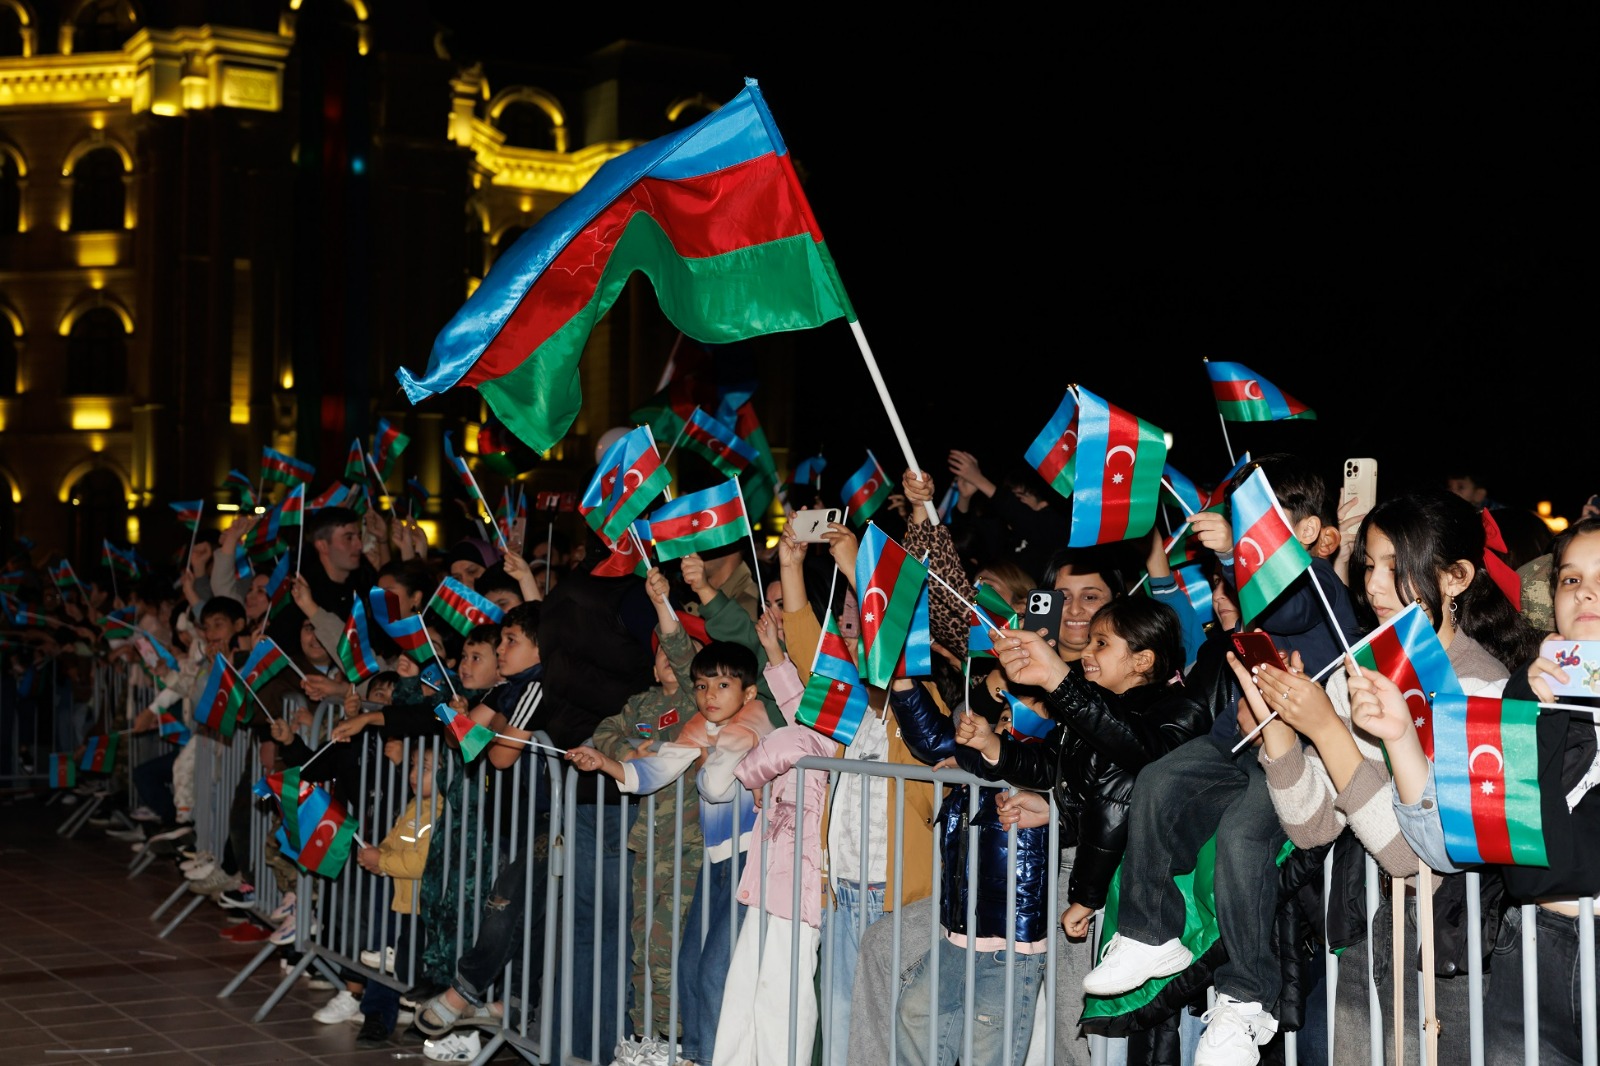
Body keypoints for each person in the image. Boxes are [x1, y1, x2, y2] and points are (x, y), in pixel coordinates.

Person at [1234, 489, 1539, 1066]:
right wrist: (1277, 727)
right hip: (1367, 930)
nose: (1373, 586)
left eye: (1396, 568)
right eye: (1369, 565)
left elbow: (1412, 855)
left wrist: (1327, 730)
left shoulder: (1481, 689)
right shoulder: (1359, 669)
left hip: (1445, 950)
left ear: (1455, 578)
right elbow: (1310, 825)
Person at [1079, 453, 1359, 1066]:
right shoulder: (1262, 589)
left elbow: (1287, 607)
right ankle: (1150, 933)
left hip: (1295, 758)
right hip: (1239, 738)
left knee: (1240, 838)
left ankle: (1246, 997)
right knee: (1159, 781)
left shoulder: (1317, 583)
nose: (1248, 537)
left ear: (1307, 532)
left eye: (1262, 524)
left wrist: (1236, 553)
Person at [1372, 513, 1600, 1064]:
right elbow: (1460, 841)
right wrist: (1401, 736)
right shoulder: (1522, 692)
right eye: (1571, 579)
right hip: (1532, 946)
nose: (1585, 592)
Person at [957, 598, 1208, 1064]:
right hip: (1087, 875)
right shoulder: (1093, 708)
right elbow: (1056, 767)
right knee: (1072, 1013)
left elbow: (1118, 799)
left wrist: (1087, 896)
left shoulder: (1179, 709)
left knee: (1103, 1024)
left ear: (1142, 660)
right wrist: (996, 748)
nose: (1085, 652)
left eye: (1101, 643)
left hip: (1129, 891)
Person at [565, 640, 774, 1066]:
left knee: (715, 969)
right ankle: (691, 1053)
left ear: (749, 693)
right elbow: (655, 770)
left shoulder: (752, 724)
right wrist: (603, 763)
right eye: (701, 686)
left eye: (722, 685)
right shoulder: (701, 727)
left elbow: (715, 785)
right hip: (718, 861)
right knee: (689, 964)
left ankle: (706, 1056)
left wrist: (706, 756)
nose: (709, 695)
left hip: (751, 862)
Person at [587, 566, 707, 1055]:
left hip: (688, 846)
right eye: (659, 653)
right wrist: (631, 749)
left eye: (676, 652)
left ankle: (674, 1039)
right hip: (649, 843)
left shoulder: (699, 706)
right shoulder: (641, 704)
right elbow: (605, 732)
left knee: (668, 943)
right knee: (643, 941)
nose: (668, 659)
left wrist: (661, 602)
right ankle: (647, 1035)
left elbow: (682, 652)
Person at [715, 609, 837, 1066]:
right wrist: (774, 652)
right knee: (745, 984)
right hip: (772, 875)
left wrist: (752, 775)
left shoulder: (828, 744)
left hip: (801, 886)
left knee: (783, 995)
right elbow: (803, 715)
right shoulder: (822, 734)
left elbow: (793, 740)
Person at [353, 743, 442, 1047]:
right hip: (405, 901)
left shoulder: (441, 810)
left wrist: (383, 861)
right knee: (411, 958)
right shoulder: (415, 804)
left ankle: (428, 1020)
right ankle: (407, 1011)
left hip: (426, 904)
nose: (413, 774)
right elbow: (393, 839)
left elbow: (423, 862)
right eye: (413, 766)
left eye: (424, 769)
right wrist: (378, 855)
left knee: (425, 965)